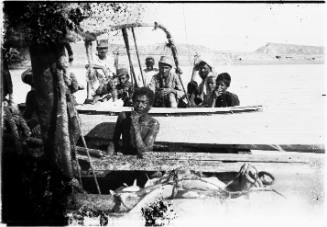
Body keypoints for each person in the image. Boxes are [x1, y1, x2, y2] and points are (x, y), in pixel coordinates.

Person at [111, 87, 160, 158]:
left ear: (150, 106)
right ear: (133, 102)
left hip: (142, 162)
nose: (139, 105)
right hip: (125, 158)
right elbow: (114, 142)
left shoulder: (153, 124)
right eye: (137, 101)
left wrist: (136, 126)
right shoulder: (123, 116)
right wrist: (108, 157)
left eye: (144, 103)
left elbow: (144, 153)